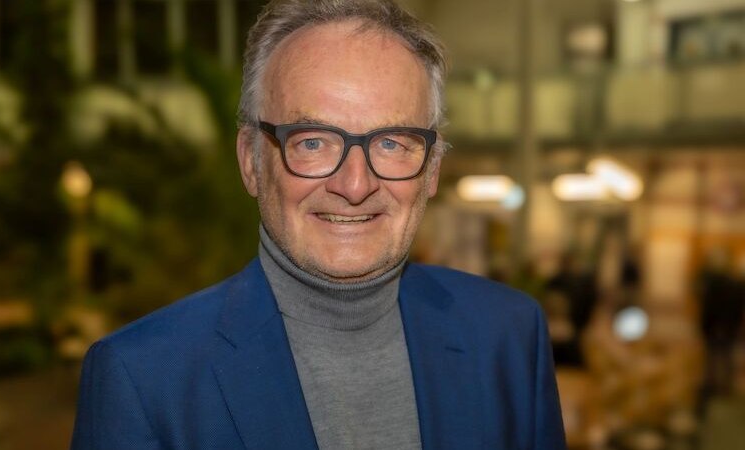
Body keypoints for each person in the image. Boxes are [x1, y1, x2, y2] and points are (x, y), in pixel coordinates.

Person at [70, 1, 566, 449]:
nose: (355, 185)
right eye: (312, 142)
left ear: (432, 169)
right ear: (250, 162)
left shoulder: (508, 337)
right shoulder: (143, 378)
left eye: (392, 143)